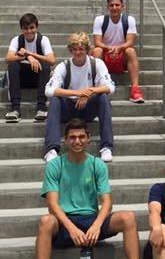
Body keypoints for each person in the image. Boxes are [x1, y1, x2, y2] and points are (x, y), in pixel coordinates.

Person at [29, 119, 151, 259]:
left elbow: (107, 202)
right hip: (65, 223)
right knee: (45, 221)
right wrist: (71, 227)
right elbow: (52, 204)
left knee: (128, 218)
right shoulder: (55, 165)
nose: (77, 141)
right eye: (72, 137)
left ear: (88, 139)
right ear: (65, 140)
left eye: (81, 137)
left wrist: (96, 225)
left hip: (92, 220)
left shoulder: (97, 164)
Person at [44, 33, 115, 163]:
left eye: (81, 49)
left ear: (87, 50)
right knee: (55, 99)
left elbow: (110, 87)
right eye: (75, 49)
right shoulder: (63, 66)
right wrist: (77, 93)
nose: (78, 52)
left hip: (88, 109)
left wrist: (89, 92)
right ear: (70, 50)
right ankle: (52, 149)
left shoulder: (97, 64)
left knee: (104, 97)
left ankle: (106, 147)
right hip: (69, 108)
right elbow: (49, 90)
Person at [92, 0, 144, 103]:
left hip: (121, 58)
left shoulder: (129, 20)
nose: (114, 8)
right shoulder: (100, 20)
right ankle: (96, 87)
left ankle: (135, 89)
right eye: (111, 5)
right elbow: (97, 42)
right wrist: (109, 48)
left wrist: (119, 48)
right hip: (106, 57)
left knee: (131, 51)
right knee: (96, 51)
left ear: (122, 6)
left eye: (117, 5)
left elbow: (130, 42)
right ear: (107, 7)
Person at [4, 13, 56, 123]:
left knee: (46, 65)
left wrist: (29, 53)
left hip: (39, 78)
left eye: (31, 28)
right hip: (22, 78)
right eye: (25, 28)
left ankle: (41, 108)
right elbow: (8, 58)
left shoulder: (43, 39)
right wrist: (29, 58)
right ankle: (15, 109)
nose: (29, 31)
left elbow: (52, 60)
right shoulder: (17, 40)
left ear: (36, 27)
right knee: (12, 65)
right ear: (21, 29)